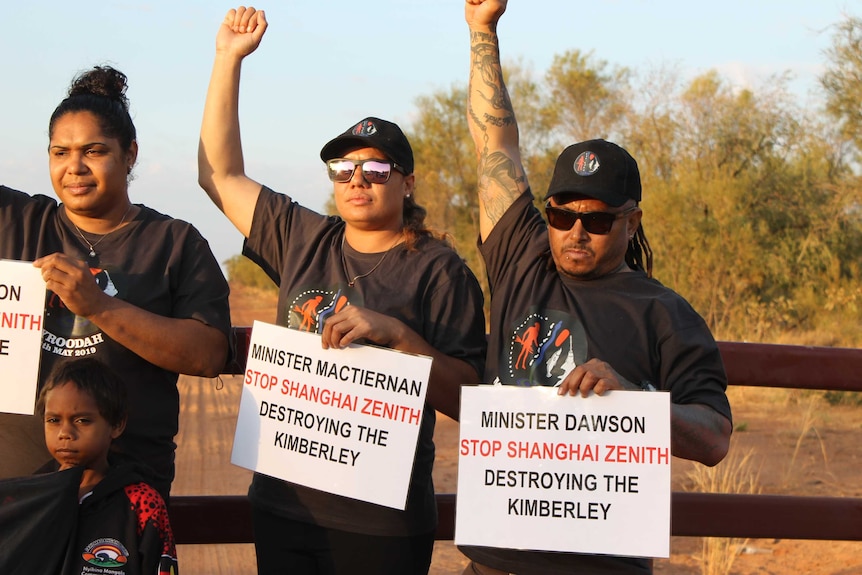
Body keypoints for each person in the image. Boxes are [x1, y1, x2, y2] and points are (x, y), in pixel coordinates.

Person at [198, 7, 486, 575]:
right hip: (285, 506)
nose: (357, 181)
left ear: (407, 182)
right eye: (343, 170)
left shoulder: (439, 270)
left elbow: (471, 400)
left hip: (384, 522)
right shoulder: (303, 236)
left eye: (376, 170)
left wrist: (402, 338)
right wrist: (227, 60)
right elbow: (218, 175)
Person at [460, 1, 733, 574]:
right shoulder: (521, 258)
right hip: (496, 559)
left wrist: (634, 400)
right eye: (562, 216)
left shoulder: (665, 312)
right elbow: (495, 147)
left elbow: (713, 440)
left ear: (631, 221)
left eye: (599, 219)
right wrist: (483, 30)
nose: (576, 231)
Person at [0, 65, 232, 499]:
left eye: (93, 151)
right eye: (60, 152)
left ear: (130, 154)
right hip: (16, 491)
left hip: (126, 497)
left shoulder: (174, 242)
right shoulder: (16, 221)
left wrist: (99, 307)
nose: (74, 167)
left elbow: (209, 354)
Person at [37, 357, 179, 574]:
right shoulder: (32, 496)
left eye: (82, 420)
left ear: (116, 425)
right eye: (54, 420)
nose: (65, 433)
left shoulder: (142, 503)